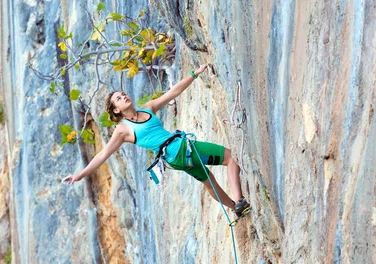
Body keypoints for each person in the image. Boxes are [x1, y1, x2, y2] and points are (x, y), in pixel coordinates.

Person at [62, 63, 251, 218]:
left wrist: (194, 74)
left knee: (209, 182)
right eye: (119, 99)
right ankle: (239, 200)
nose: (124, 96)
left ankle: (235, 208)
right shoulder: (123, 130)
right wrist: (79, 175)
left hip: (175, 159)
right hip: (180, 148)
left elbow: (172, 93)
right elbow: (103, 155)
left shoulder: (148, 108)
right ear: (117, 110)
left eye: (123, 94)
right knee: (230, 158)